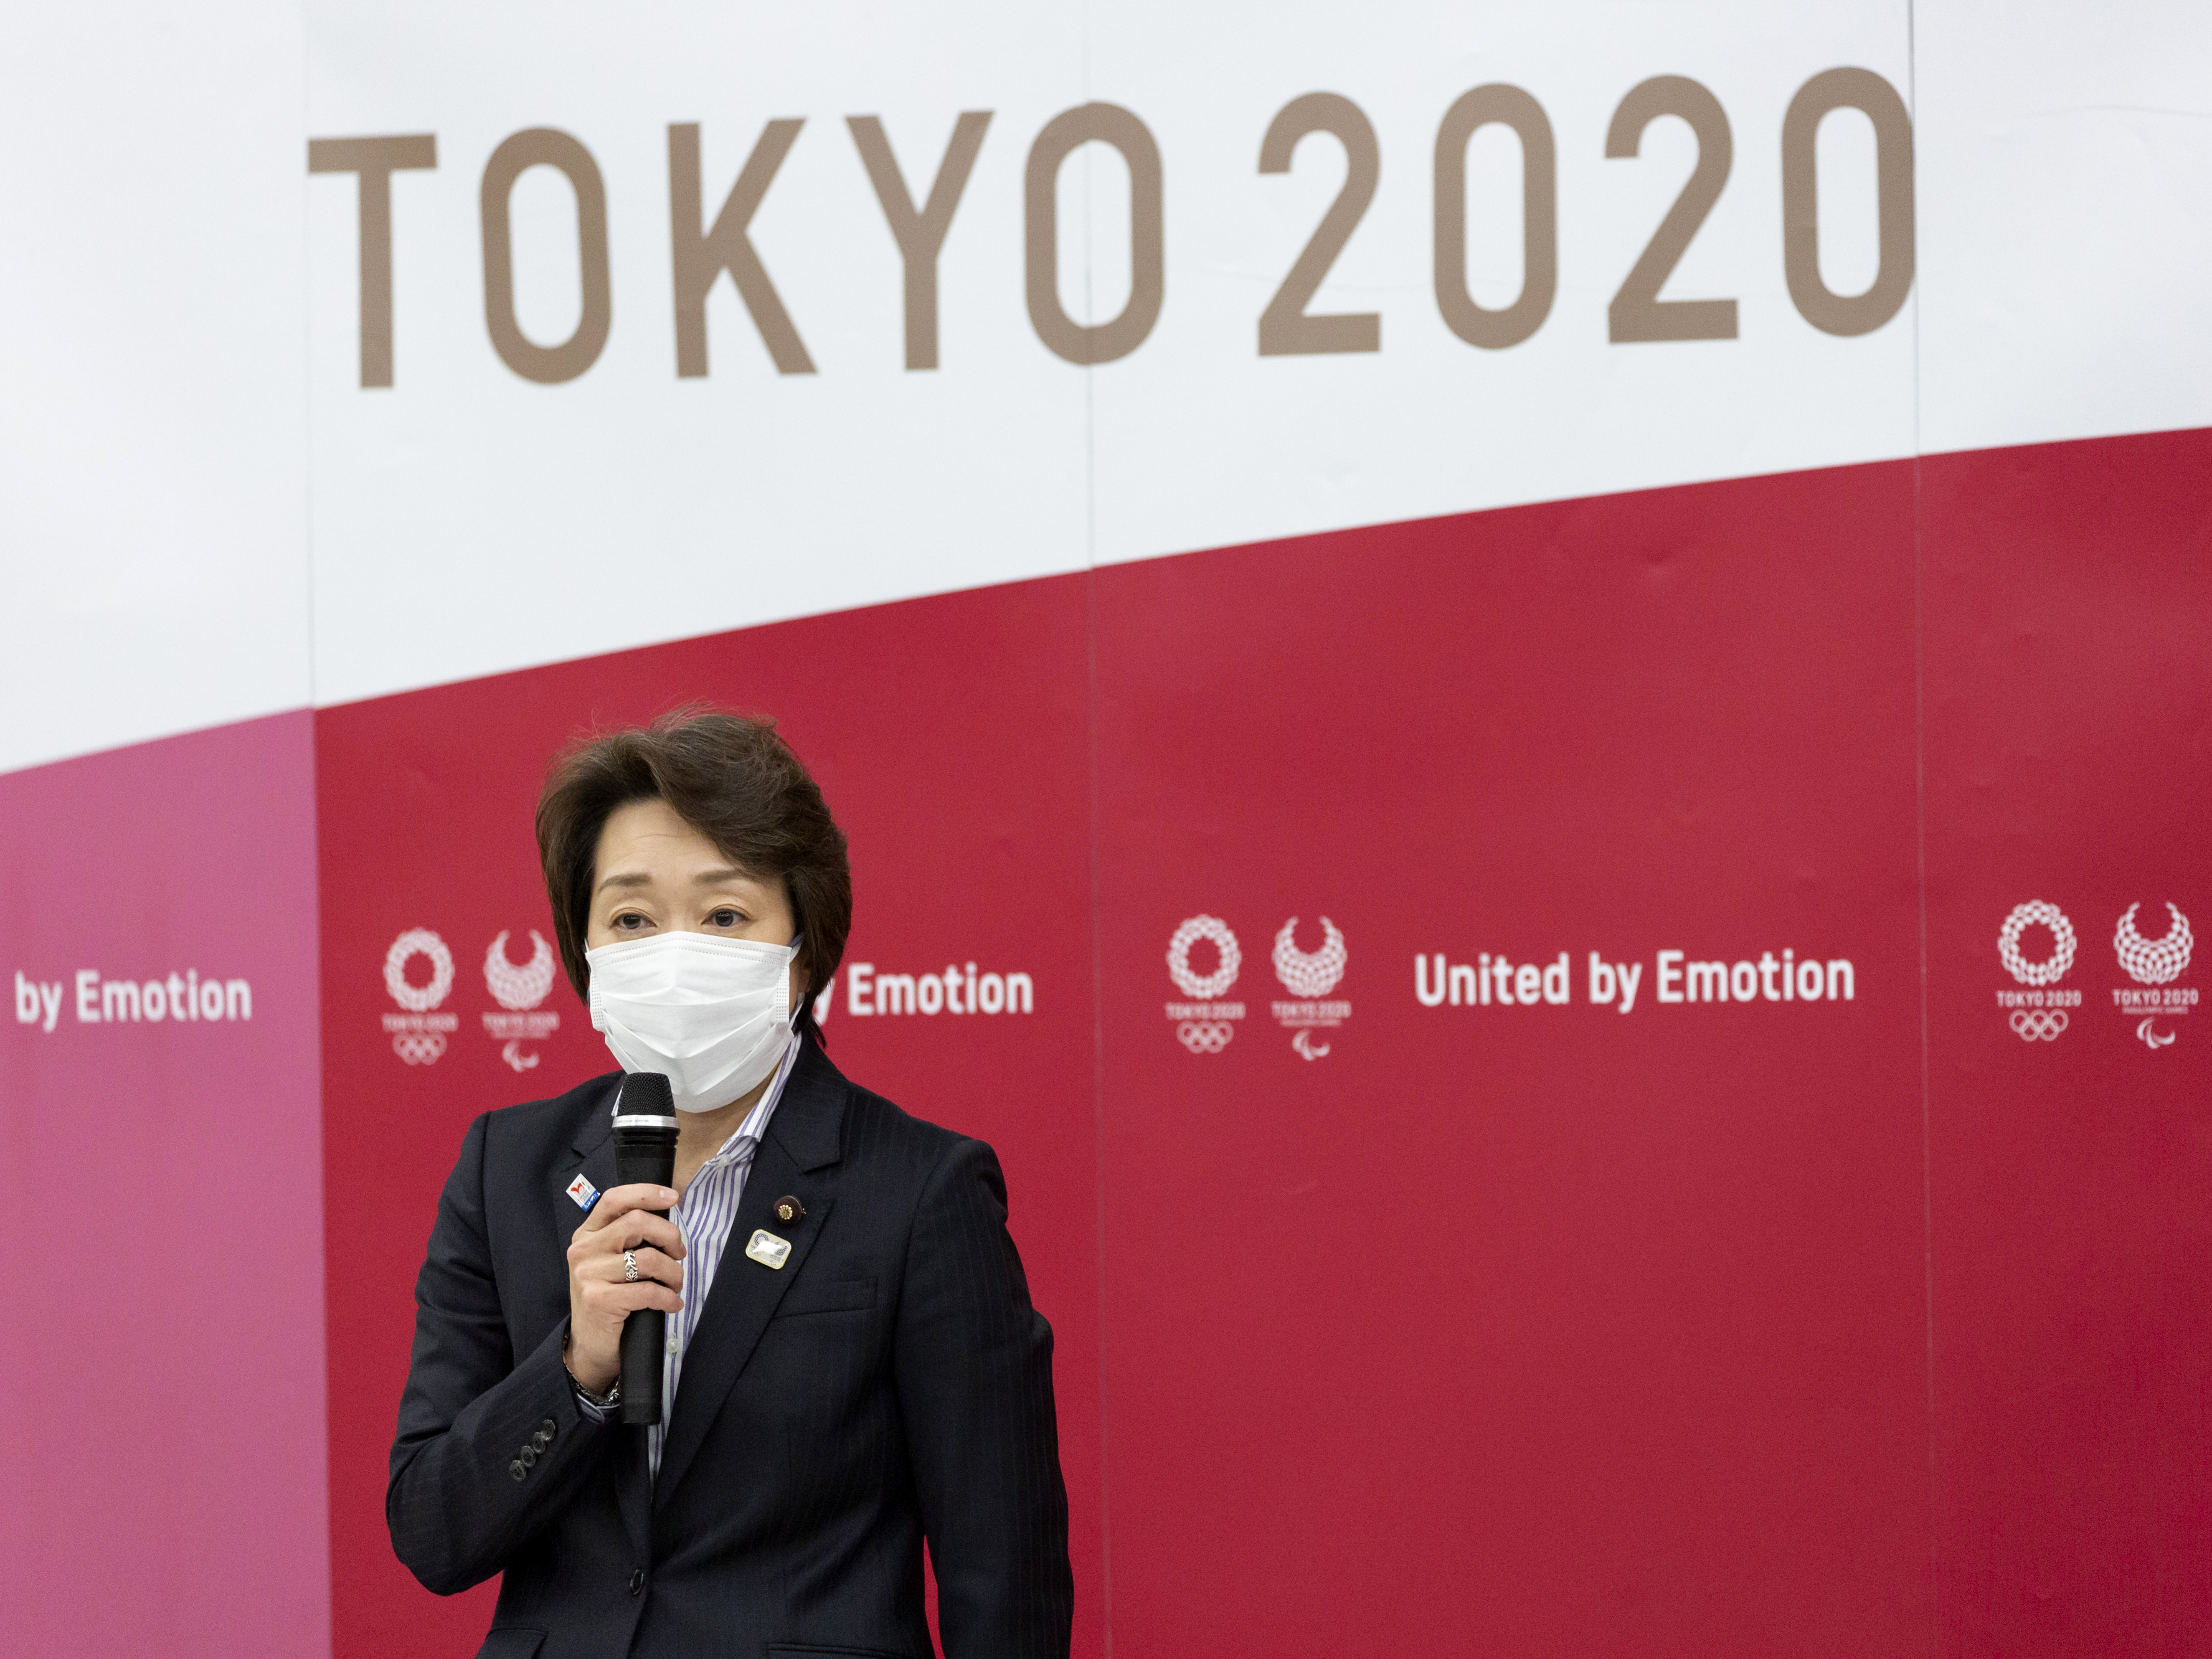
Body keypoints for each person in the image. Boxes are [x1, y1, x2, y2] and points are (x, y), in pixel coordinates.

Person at [387, 711, 1073, 1659]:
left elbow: (1004, 1576)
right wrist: (576, 1370)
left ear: (801, 951)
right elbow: (432, 1532)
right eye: (631, 918)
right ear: (586, 954)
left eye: (723, 916)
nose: (675, 953)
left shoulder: (921, 1191)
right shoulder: (509, 1166)